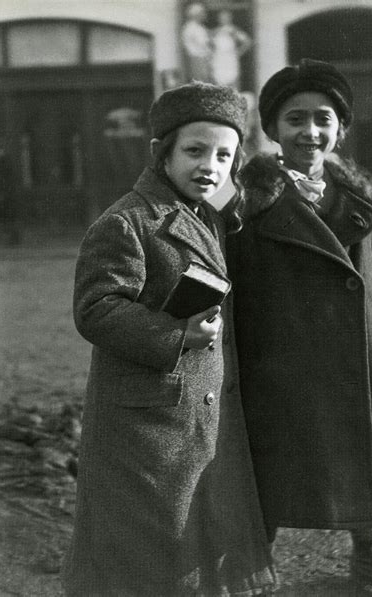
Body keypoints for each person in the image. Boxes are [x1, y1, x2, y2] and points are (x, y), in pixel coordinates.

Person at [62, 82, 276, 596]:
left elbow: (240, 201)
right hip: (147, 419)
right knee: (148, 537)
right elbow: (96, 309)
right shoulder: (128, 222)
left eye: (224, 155)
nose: (210, 165)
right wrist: (176, 332)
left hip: (194, 410)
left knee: (193, 534)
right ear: (162, 155)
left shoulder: (211, 205)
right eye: (194, 151)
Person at [228, 59, 372, 596]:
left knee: (367, 456)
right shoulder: (249, 200)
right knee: (270, 461)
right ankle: (249, 568)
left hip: (359, 353)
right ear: (271, 130)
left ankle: (370, 560)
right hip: (281, 355)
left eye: (323, 119)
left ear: (341, 129)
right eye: (295, 119)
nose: (309, 132)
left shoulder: (358, 197)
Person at [211, 9, 252, 89]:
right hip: (219, 59)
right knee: (219, 84)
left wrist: (238, 52)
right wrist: (212, 54)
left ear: (230, 18)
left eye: (226, 17)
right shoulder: (215, 31)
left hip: (230, 59)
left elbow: (248, 41)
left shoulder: (234, 30)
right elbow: (208, 44)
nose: (223, 19)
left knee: (233, 82)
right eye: (221, 17)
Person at [181, 2, 212, 82]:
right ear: (196, 15)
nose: (204, 15)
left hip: (202, 59)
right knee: (201, 82)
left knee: (205, 81)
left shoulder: (200, 27)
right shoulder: (190, 27)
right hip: (197, 59)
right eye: (202, 13)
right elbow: (203, 44)